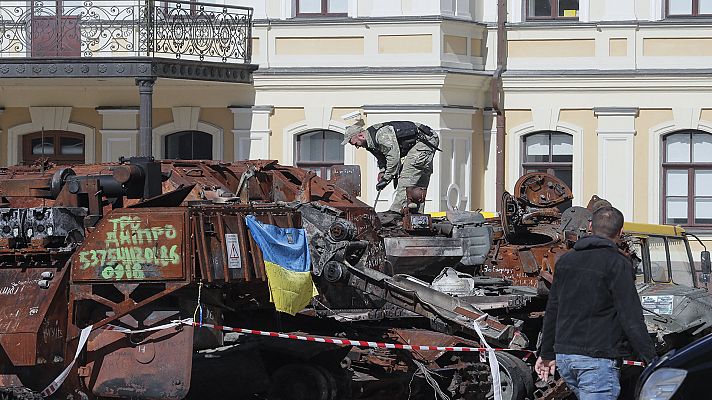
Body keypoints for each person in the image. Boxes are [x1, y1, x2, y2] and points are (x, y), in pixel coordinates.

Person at [535, 206, 656, 400]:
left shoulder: (566, 261)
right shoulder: (617, 263)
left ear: (590, 227)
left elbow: (553, 310)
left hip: (566, 358)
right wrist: (652, 359)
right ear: (621, 231)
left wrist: (547, 353)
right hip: (597, 360)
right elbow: (630, 316)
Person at [341, 121, 440, 213]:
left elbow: (394, 158)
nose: (357, 147)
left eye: (354, 143)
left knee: (408, 174)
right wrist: (383, 172)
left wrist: (387, 178)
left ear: (361, 135)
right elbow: (382, 157)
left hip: (425, 140)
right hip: (422, 141)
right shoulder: (370, 142)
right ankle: (415, 213)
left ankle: (397, 211)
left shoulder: (381, 135)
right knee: (417, 181)